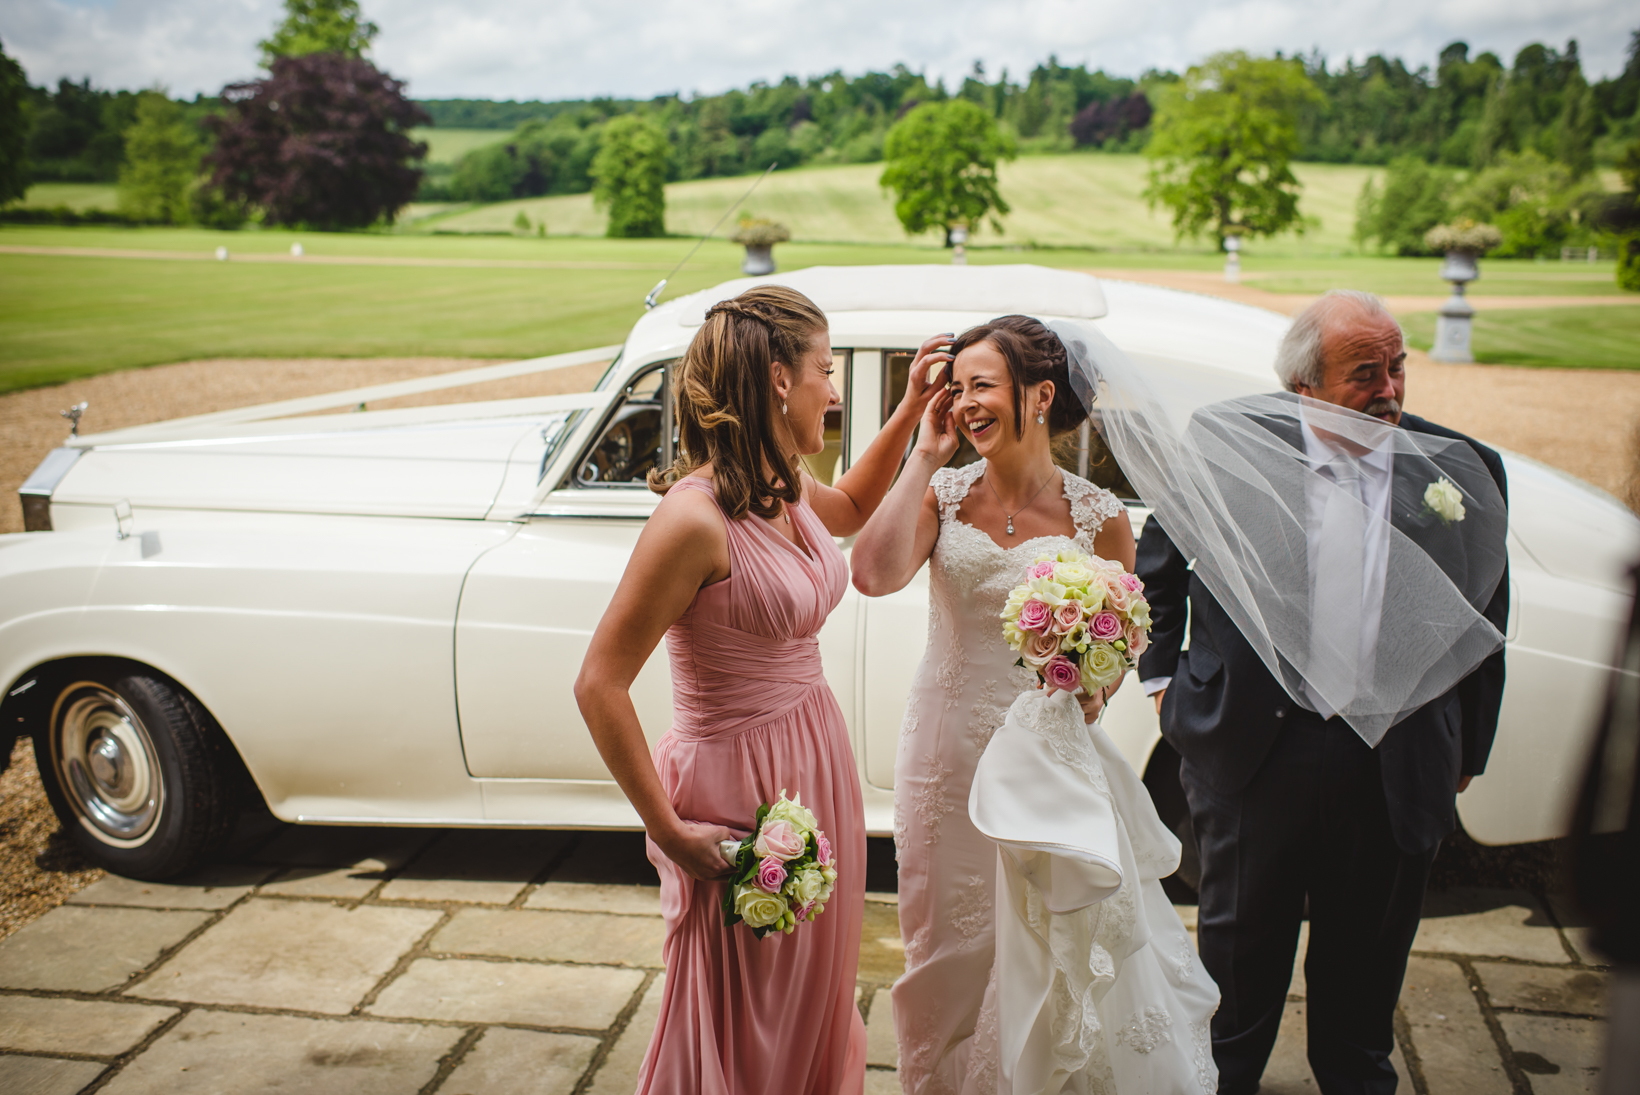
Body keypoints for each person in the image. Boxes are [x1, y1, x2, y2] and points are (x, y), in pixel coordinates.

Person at [574, 285, 946, 1095]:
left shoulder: (781, 482)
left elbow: (846, 507)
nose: (837, 388)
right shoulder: (694, 517)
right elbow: (598, 683)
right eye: (827, 368)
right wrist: (670, 831)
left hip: (816, 764)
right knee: (749, 1018)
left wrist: (916, 410)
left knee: (812, 1000)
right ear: (780, 379)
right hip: (736, 791)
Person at [1135, 290, 1510, 1095]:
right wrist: (1163, 681)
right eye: (1365, 373)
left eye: (1398, 366)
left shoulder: (1464, 467)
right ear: (1305, 386)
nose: (1391, 390)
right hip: (1256, 751)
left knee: (1367, 970)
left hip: (1398, 755)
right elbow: (1159, 567)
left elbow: (1487, 619)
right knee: (1237, 962)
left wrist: (1466, 748)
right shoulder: (1226, 441)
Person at [851, 315, 1219, 1094]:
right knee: (942, 948)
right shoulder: (944, 493)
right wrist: (923, 452)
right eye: (957, 389)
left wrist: (1092, 684)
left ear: (1039, 394)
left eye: (981, 385)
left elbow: (1119, 645)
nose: (966, 403)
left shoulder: (1099, 518)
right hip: (944, 759)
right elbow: (873, 573)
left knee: (1042, 946)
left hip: (1046, 765)